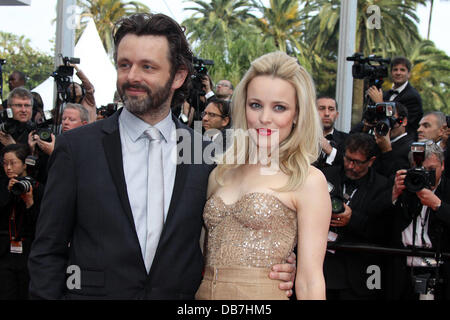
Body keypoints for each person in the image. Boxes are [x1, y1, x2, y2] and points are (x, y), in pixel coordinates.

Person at [28, 13, 294, 300]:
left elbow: (227, 235)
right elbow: (48, 249)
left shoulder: (205, 154)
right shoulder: (78, 148)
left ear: (178, 75)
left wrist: (276, 265)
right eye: (124, 64)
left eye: (147, 67)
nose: (132, 76)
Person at [195, 51, 331, 300]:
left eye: (279, 107)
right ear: (243, 106)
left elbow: (311, 282)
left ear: (297, 114)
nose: (264, 118)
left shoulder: (308, 180)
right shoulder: (220, 173)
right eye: (255, 105)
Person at [322, 133, 394, 300]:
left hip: (359, 272)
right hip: (323, 268)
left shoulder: (382, 186)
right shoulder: (325, 176)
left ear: (371, 161)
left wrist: (352, 219)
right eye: (348, 159)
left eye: (358, 162)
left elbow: (384, 231)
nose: (350, 166)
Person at [388, 141, 450, 300]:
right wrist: (394, 196)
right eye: (421, 170)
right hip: (401, 268)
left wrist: (437, 205)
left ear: (442, 165)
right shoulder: (404, 185)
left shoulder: (447, 189)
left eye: (431, 170)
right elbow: (380, 222)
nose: (426, 175)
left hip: (438, 269)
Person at [0, 144, 44, 299]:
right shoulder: (3, 186)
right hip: (5, 251)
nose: (8, 168)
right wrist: (7, 192)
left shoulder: (37, 188)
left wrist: (29, 202)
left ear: (25, 164)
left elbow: (41, 225)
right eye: (5, 163)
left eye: (13, 163)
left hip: (28, 250)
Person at [367, 56, 423, 137]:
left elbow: (401, 123)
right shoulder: (386, 94)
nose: (398, 73)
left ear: (409, 74)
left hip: (403, 143)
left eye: (402, 70)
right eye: (395, 69)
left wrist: (380, 103)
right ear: (391, 73)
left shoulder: (413, 97)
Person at [373, 102, 415, 178]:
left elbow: (396, 178)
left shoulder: (411, 148)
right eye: (382, 119)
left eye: (390, 120)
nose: (386, 124)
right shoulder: (375, 142)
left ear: (404, 121)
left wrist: (387, 151)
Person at [314, 96, 348, 170]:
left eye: (331, 109)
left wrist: (331, 151)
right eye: (322, 108)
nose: (326, 113)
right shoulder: (301, 138)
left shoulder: (348, 140)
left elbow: (350, 167)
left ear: (337, 115)